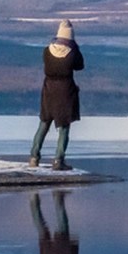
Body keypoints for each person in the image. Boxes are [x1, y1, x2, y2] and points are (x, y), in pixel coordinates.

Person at [29, 20, 84, 170]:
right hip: (65, 91)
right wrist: (75, 47)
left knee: (44, 123)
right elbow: (80, 65)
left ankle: (34, 156)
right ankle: (58, 160)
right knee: (64, 127)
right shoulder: (72, 53)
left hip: (48, 90)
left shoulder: (47, 51)